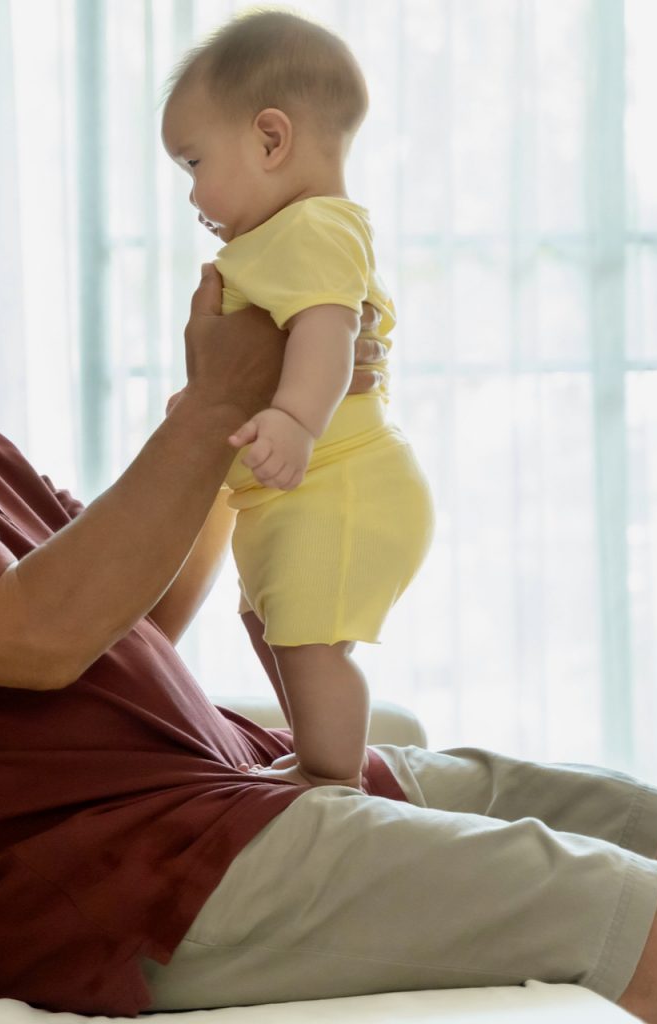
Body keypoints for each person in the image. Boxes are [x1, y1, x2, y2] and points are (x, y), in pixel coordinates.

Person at [0, 81, 657, 1023]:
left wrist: (261, 416)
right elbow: (37, 634)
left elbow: (132, 614)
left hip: (229, 791)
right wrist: (221, 405)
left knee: (627, 814)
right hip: (137, 874)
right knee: (622, 902)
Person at [162, 10, 433, 789]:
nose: (191, 193)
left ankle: (333, 776)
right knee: (271, 624)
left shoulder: (312, 227)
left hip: (339, 483)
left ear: (271, 140)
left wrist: (291, 417)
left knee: (313, 643)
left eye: (193, 162)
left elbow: (329, 332)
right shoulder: (283, 236)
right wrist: (216, 405)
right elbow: (264, 354)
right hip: (300, 490)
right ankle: (316, 749)